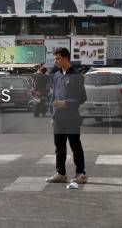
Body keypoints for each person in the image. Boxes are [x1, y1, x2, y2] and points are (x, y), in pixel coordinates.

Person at [46, 48, 87, 185]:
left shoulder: (76, 75)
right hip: (59, 118)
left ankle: (80, 173)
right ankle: (61, 174)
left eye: (58, 58)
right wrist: (53, 116)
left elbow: (82, 97)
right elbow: (54, 96)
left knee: (75, 145)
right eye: (55, 58)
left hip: (72, 117)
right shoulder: (57, 75)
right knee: (59, 147)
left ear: (66, 58)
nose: (56, 61)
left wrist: (66, 103)